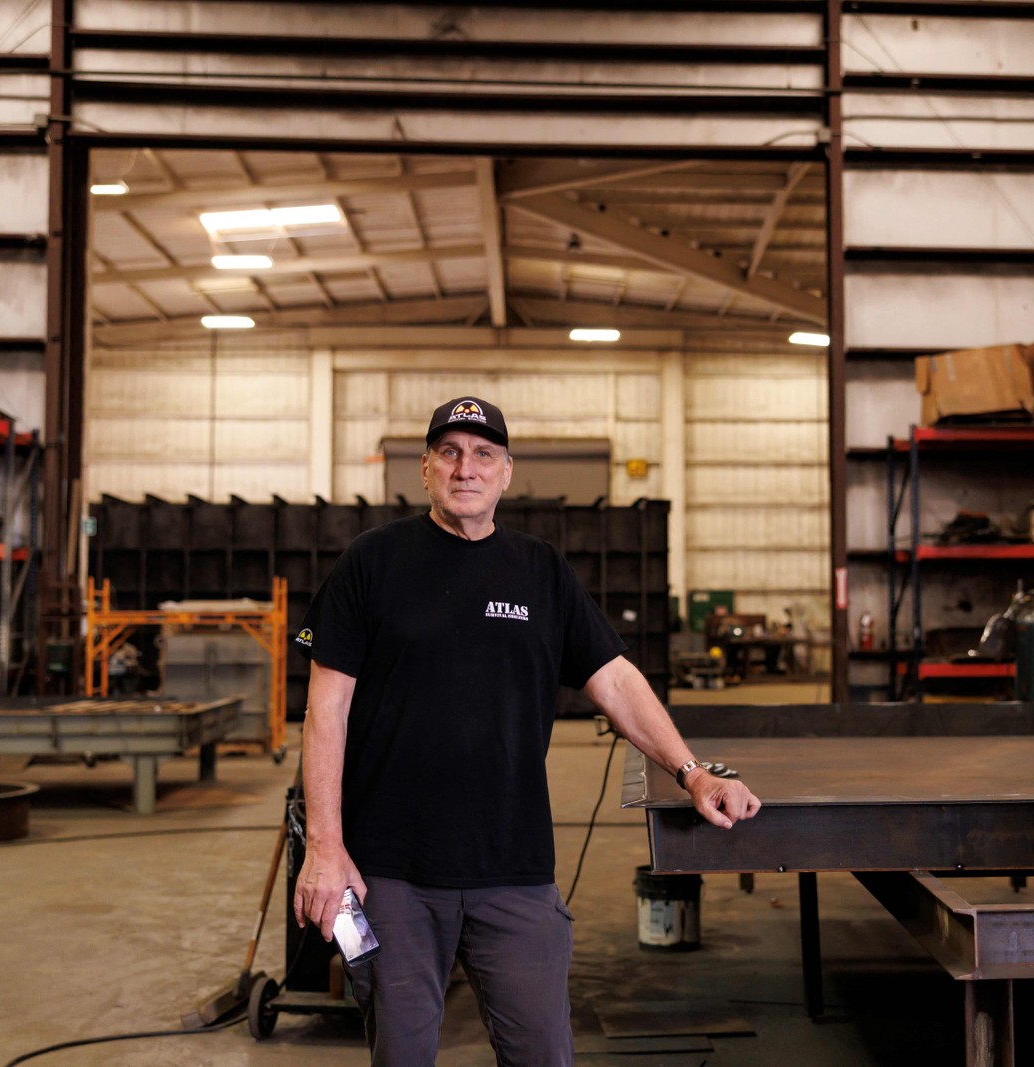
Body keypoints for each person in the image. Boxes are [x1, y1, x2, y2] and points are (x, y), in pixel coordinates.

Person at [291, 395, 761, 1067]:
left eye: (484, 454)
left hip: (513, 871)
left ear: (506, 472)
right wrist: (326, 849)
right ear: (425, 468)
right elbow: (325, 711)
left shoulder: (539, 570)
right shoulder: (372, 563)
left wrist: (691, 771)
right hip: (391, 873)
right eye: (450, 452)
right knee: (402, 1053)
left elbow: (616, 679)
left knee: (542, 1051)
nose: (466, 468)